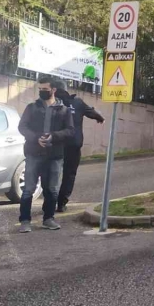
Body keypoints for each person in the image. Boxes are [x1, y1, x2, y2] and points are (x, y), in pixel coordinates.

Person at [17, 75, 75, 233]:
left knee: (52, 189)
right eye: (40, 89)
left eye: (45, 89)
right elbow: (22, 127)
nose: (42, 92)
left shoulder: (64, 110)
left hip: (54, 156)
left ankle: (48, 218)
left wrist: (54, 136)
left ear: (54, 90)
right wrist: (36, 138)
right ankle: (25, 220)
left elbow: (70, 131)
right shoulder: (32, 107)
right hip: (34, 154)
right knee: (28, 189)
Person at [51, 80, 105, 213]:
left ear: (54, 90)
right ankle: (61, 203)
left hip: (55, 143)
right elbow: (92, 113)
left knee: (52, 173)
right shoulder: (77, 103)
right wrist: (100, 118)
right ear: (66, 89)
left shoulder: (51, 102)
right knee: (69, 174)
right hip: (73, 145)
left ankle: (50, 202)